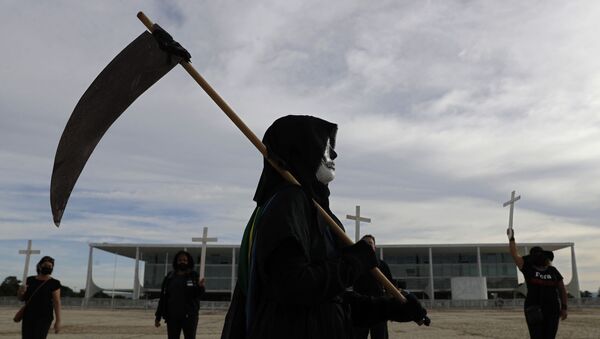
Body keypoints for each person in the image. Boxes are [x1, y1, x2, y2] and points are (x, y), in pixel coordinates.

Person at [221, 115, 429, 339]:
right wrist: (354, 262)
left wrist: (390, 308)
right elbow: (293, 287)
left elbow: (330, 302)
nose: (334, 154)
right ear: (301, 149)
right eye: (324, 145)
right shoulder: (288, 202)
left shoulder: (313, 208)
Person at [507, 228, 568, 339]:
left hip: (552, 309)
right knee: (536, 336)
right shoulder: (528, 268)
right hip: (533, 308)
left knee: (550, 336)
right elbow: (514, 255)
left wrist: (564, 307)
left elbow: (562, 289)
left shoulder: (552, 271)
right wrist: (511, 239)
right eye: (537, 255)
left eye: (541, 255)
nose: (540, 258)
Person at [155, 250, 206, 339]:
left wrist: (201, 287)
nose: (182, 262)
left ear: (188, 261)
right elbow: (163, 298)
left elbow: (198, 295)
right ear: (176, 261)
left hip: (190, 317)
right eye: (180, 260)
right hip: (172, 317)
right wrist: (158, 317)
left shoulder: (194, 276)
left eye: (185, 260)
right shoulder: (169, 277)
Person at [353, 234, 394, 339]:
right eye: (364, 243)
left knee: (380, 336)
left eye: (370, 243)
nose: (367, 245)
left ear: (374, 247)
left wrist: (390, 307)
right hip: (360, 307)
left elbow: (391, 287)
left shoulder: (382, 265)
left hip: (379, 307)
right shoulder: (354, 265)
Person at [17, 256, 62, 339]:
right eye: (45, 265)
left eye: (50, 266)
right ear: (40, 266)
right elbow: (21, 298)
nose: (47, 267)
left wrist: (58, 320)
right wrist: (20, 291)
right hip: (28, 315)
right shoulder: (29, 280)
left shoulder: (54, 283)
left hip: (44, 317)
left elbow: (57, 302)